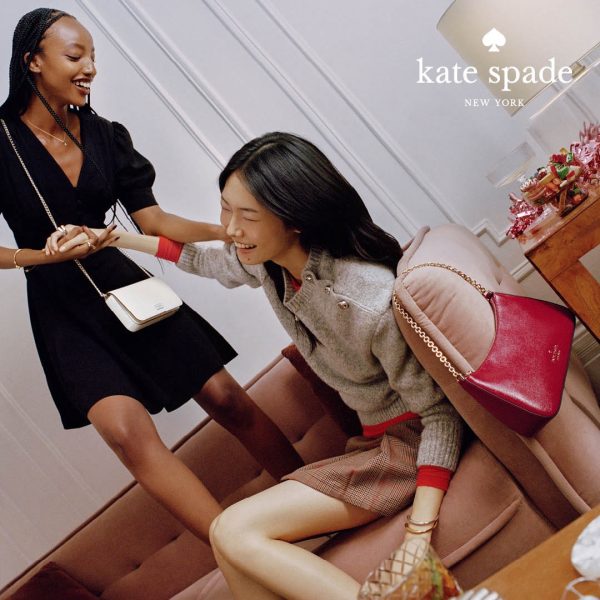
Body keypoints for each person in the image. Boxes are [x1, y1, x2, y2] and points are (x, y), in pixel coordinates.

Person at [62, 132, 464, 599]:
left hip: (408, 450)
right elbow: (205, 261)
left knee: (232, 532)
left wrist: (418, 534)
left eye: (247, 216)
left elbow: (439, 414)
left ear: (294, 217)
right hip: (371, 445)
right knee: (230, 540)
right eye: (225, 209)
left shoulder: (364, 298)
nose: (230, 229)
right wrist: (113, 239)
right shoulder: (272, 265)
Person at [0, 8, 302, 544]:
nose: (90, 68)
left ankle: (315, 493)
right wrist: (41, 257)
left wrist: (229, 229)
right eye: (75, 56)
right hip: (60, 308)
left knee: (226, 398)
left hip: (124, 283)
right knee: (125, 432)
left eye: (93, 57)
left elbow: (154, 221)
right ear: (33, 61)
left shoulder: (105, 136)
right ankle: (243, 552)